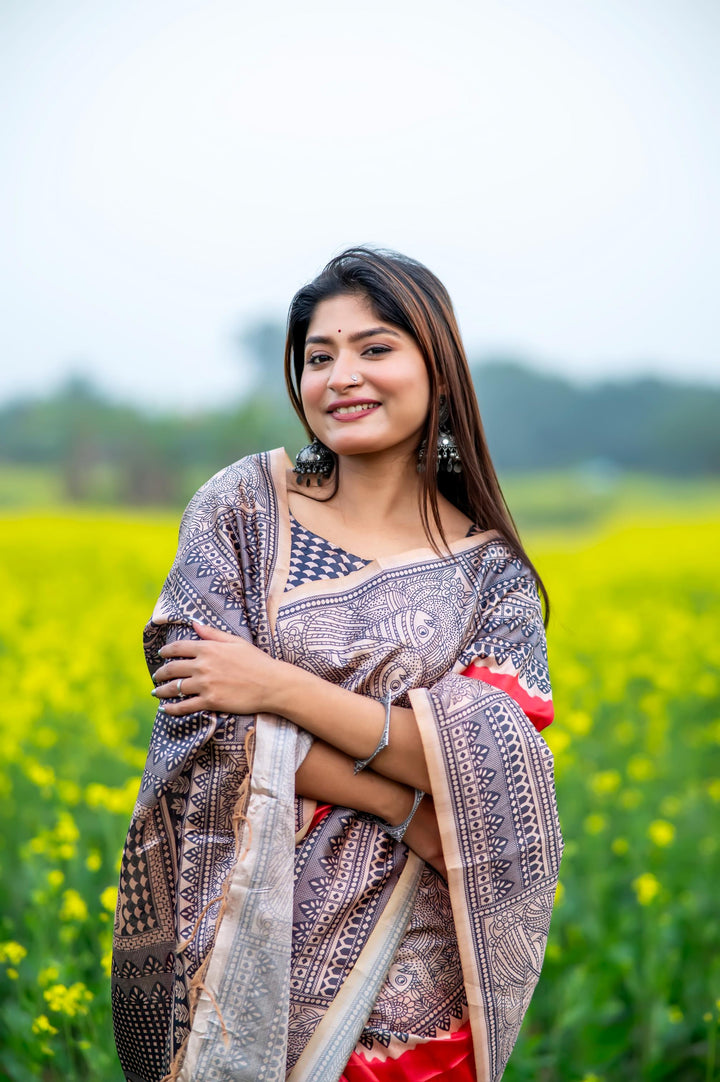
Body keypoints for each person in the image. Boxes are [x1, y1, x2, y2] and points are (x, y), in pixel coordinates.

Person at [111, 247, 563, 1082]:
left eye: (375, 348)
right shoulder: (245, 505)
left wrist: (277, 685)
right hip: (237, 926)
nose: (342, 376)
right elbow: (202, 714)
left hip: (411, 973)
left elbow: (487, 761)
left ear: (438, 366)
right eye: (320, 357)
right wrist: (406, 808)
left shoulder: (490, 575)